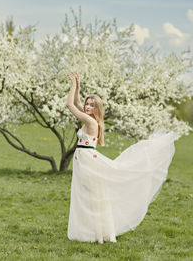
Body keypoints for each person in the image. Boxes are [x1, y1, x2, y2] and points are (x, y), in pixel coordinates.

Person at [66, 72, 177, 244]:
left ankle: (96, 233)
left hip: (87, 160)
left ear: (97, 109)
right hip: (84, 159)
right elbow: (77, 103)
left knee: (91, 196)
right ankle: (92, 232)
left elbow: (70, 105)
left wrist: (72, 85)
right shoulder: (91, 118)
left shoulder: (91, 122)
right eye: (87, 104)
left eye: (91, 105)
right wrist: (78, 86)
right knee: (87, 196)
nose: (87, 107)